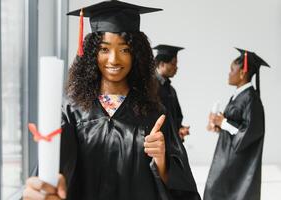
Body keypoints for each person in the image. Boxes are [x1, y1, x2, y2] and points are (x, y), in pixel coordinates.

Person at [23, 1, 200, 200]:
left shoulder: (154, 112)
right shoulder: (71, 109)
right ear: (91, 54)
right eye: (104, 49)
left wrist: (161, 160)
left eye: (124, 49)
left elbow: (181, 189)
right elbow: (54, 171)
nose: (114, 59)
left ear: (137, 55)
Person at [204, 47, 270, 200]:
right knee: (214, 191)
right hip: (226, 155)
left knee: (220, 192)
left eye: (232, 69)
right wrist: (218, 125)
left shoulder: (251, 99)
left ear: (242, 73)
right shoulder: (239, 96)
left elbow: (250, 132)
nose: (229, 73)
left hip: (237, 161)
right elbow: (235, 126)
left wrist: (224, 122)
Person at [153, 45, 190, 140]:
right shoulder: (149, 87)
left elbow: (176, 116)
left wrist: (179, 129)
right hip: (154, 143)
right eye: (173, 64)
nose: (176, 68)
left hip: (170, 143)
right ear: (161, 64)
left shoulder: (171, 90)